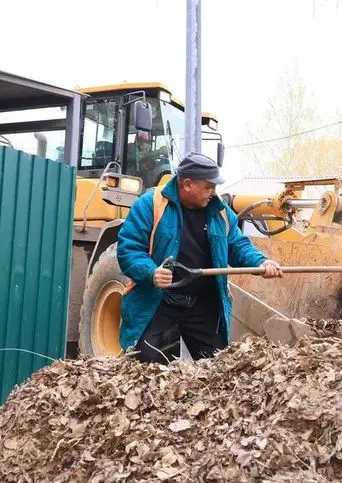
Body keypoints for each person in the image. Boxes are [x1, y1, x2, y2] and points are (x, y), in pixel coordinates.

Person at [117, 152, 282, 362]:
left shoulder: (220, 212)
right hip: (158, 300)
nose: (213, 193)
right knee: (144, 362)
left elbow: (237, 244)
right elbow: (128, 249)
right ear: (187, 184)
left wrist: (260, 262)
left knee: (216, 366)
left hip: (202, 302)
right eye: (208, 187)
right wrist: (151, 273)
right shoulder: (150, 205)